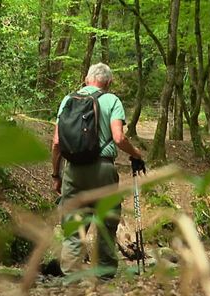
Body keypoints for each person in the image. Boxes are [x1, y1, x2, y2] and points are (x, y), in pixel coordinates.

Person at [51, 62, 145, 279]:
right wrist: (136, 153)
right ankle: (104, 280)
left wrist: (56, 175)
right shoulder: (112, 100)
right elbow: (119, 138)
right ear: (109, 82)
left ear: (86, 79)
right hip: (103, 170)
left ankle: (71, 283)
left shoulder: (68, 100)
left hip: (72, 171)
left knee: (73, 230)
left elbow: (56, 142)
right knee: (105, 226)